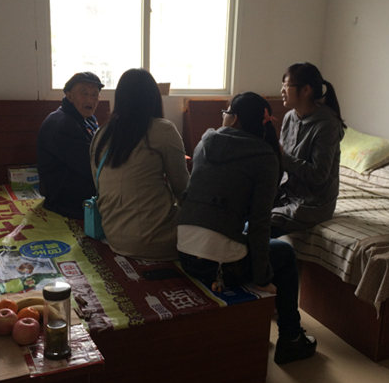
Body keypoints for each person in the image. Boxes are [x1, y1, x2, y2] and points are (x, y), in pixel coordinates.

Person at [177, 92, 317, 365]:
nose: (223, 117)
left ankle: (264, 326)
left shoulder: (205, 142)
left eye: (225, 112)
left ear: (234, 119)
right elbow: (260, 223)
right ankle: (291, 338)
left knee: (240, 235)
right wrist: (263, 277)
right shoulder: (265, 157)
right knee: (285, 254)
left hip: (184, 252)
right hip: (218, 266)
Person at [90, 68, 189, 261]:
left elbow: (98, 185)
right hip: (158, 239)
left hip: (113, 236)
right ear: (154, 98)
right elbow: (183, 189)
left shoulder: (101, 134)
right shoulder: (162, 130)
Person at [271, 62, 346, 237]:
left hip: (311, 204)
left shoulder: (326, 125)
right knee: (241, 211)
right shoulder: (289, 117)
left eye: (286, 86)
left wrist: (282, 157)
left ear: (306, 90)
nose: (282, 91)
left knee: (255, 228)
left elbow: (319, 175)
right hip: (286, 195)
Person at [37, 72, 105, 219]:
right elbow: (90, 166)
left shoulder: (86, 119)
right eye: (84, 93)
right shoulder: (62, 124)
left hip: (78, 186)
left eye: (94, 94)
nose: (90, 99)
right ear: (69, 96)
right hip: (63, 198)